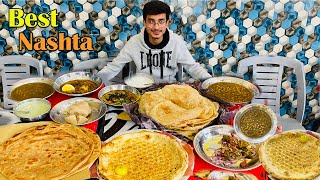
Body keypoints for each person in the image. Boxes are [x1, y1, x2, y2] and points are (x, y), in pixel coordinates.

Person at [76, 0, 211, 83]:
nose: (156, 27)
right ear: (145, 22)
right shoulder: (134, 42)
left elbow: (193, 67)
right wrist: (94, 83)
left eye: (161, 21)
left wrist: (211, 83)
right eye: (151, 21)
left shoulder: (176, 42)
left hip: (169, 89)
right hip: (142, 90)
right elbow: (114, 67)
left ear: (167, 23)